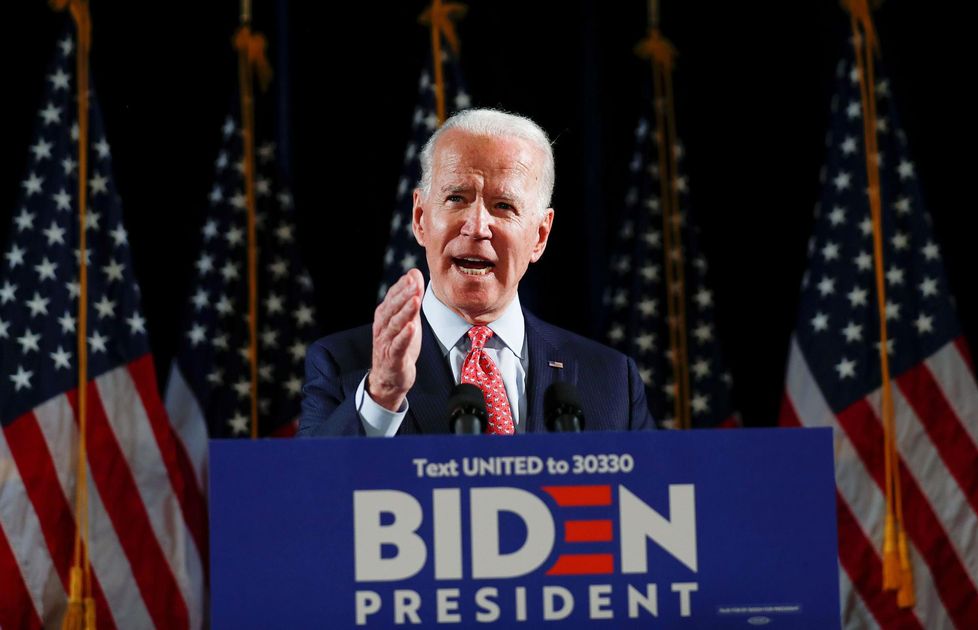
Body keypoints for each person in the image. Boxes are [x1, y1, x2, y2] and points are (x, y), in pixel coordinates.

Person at [299, 108, 653, 436]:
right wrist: (383, 395)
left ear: (540, 236)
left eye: (503, 206)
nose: (477, 225)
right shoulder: (343, 365)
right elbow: (312, 492)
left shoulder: (611, 381)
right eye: (457, 198)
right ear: (420, 218)